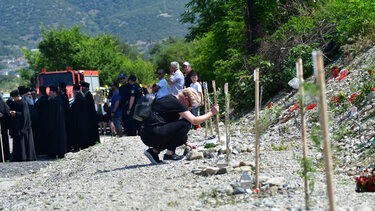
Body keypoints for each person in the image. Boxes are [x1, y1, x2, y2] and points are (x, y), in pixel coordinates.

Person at [141, 87, 219, 164]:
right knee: (186, 123)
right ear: (185, 98)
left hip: (146, 134)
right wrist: (211, 112)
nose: (189, 108)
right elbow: (195, 121)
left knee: (183, 137)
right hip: (153, 133)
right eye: (190, 105)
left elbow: (174, 129)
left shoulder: (169, 98)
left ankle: (154, 151)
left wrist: (185, 142)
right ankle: (169, 154)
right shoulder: (178, 103)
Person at [7, 90, 36, 161]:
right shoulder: (16, 103)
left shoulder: (23, 103)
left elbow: (25, 115)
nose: (13, 99)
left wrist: (16, 113)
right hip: (17, 126)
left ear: (18, 96)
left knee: (24, 143)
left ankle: (25, 157)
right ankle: (18, 157)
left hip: (24, 126)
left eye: (14, 97)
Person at [47, 86, 67, 158]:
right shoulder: (58, 100)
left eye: (50, 92)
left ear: (54, 93)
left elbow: (52, 115)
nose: (49, 93)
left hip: (55, 124)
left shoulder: (55, 101)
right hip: (59, 124)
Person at [69, 85, 89, 150]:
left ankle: (80, 146)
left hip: (79, 120)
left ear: (75, 92)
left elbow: (74, 109)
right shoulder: (81, 96)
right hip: (82, 118)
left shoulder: (78, 98)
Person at [34, 86, 49, 155]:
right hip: (48, 122)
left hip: (40, 122)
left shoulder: (39, 102)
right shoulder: (49, 100)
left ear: (40, 93)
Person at [0, 93, 10, 162]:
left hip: (2, 126)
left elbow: (7, 112)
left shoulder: (2, 103)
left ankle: (5, 157)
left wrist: (2, 115)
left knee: (3, 142)